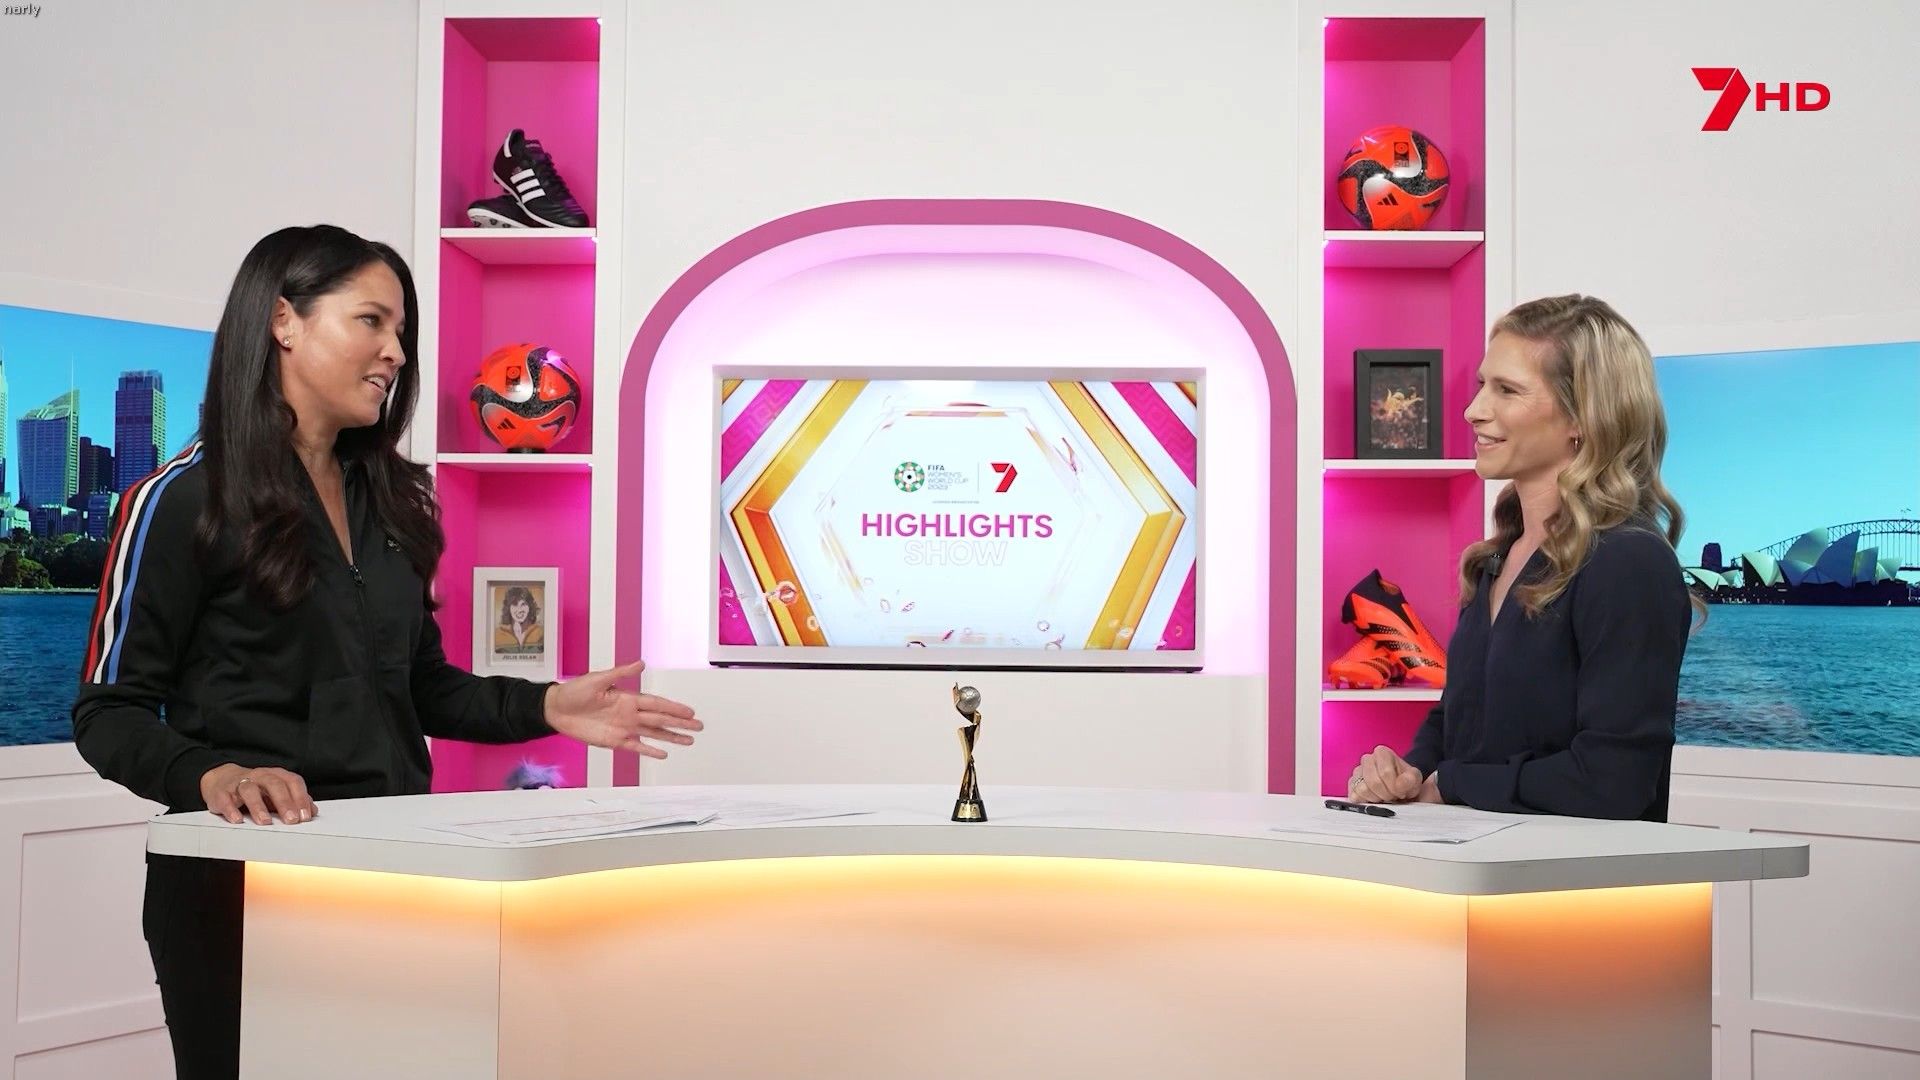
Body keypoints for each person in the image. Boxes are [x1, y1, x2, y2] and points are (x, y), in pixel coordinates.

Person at [69, 224, 703, 1080]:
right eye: (371, 321)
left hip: (397, 872)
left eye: (400, 331)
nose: (396, 352)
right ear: (284, 321)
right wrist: (212, 776)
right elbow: (107, 713)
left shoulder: (395, 500)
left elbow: (422, 687)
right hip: (245, 884)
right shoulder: (180, 499)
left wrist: (547, 705)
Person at [1346, 294, 1697, 822]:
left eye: (1507, 390)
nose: (1474, 410)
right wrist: (1408, 772)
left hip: (1570, 874)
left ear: (1583, 417)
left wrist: (1452, 784)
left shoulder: (1629, 562)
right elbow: (1458, 722)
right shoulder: (1495, 560)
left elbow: (1615, 781)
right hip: (1475, 864)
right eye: (1482, 385)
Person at [494, 584, 544, 650]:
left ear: (530, 607)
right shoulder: (498, 634)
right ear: (508, 608)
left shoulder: (540, 633)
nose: (519, 610)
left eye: (523, 604)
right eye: (515, 605)